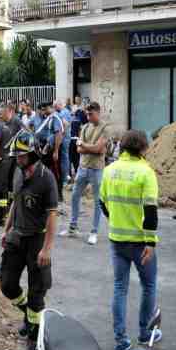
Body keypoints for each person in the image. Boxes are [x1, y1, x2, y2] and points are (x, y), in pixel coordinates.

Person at [0, 129, 58, 350]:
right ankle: (27, 315)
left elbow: (52, 215)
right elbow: (16, 201)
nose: (18, 159)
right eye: (16, 156)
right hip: (17, 238)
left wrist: (47, 249)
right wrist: (6, 229)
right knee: (7, 284)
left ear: (33, 154)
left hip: (37, 241)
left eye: (22, 156)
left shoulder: (46, 178)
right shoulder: (18, 173)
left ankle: (33, 342)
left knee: (37, 294)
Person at [99, 130, 161, 350]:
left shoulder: (109, 170)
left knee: (119, 288)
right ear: (143, 148)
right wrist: (150, 243)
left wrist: (115, 220)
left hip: (117, 240)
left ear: (123, 147)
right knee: (149, 285)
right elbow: (151, 212)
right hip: (140, 242)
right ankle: (145, 333)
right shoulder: (146, 173)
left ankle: (121, 340)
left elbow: (102, 203)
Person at [61, 102, 108, 245]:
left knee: (97, 201)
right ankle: (73, 227)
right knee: (75, 196)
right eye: (87, 114)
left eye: (91, 114)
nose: (88, 117)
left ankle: (94, 232)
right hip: (82, 168)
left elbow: (99, 149)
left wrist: (85, 145)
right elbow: (78, 149)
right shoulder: (86, 127)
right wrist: (89, 147)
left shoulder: (104, 128)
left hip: (96, 168)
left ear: (98, 112)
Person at [0, 104, 23, 225]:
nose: (0, 115)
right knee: (3, 189)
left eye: (0, 113)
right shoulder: (6, 127)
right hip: (8, 160)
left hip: (1, 161)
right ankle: (2, 218)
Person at [34, 102, 64, 201]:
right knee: (44, 170)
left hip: (52, 149)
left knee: (55, 172)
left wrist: (56, 151)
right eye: (42, 109)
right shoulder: (48, 118)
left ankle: (58, 194)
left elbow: (58, 134)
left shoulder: (55, 118)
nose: (43, 111)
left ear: (50, 108)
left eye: (45, 109)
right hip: (45, 148)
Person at [54, 100, 72, 185]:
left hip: (64, 139)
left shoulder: (63, 112)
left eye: (55, 106)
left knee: (64, 158)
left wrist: (61, 134)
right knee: (64, 158)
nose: (54, 108)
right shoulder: (65, 112)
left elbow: (65, 124)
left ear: (59, 105)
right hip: (65, 138)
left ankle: (64, 178)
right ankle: (65, 177)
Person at [69, 97, 87, 176]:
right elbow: (80, 131)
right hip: (76, 140)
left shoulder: (70, 120)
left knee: (70, 158)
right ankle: (77, 172)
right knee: (77, 158)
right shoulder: (79, 121)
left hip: (70, 140)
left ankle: (70, 174)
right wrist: (80, 142)